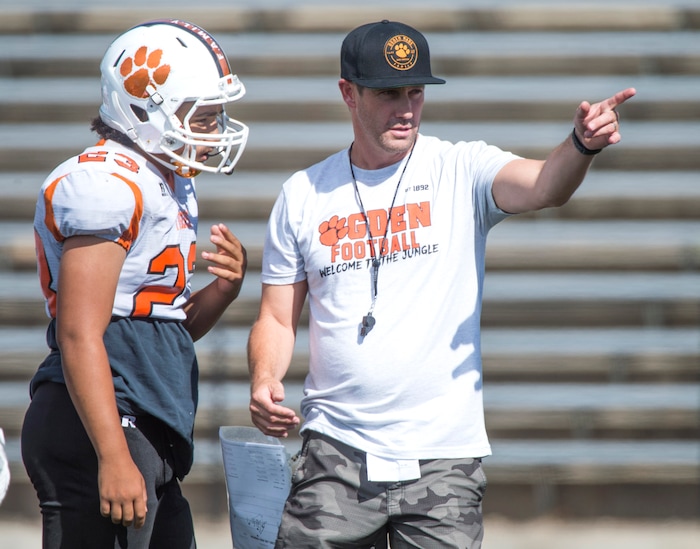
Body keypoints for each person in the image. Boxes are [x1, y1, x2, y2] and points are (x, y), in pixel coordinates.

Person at [247, 19, 636, 549]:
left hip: (443, 459)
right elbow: (275, 315)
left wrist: (580, 145)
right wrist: (265, 377)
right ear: (348, 93)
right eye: (387, 93)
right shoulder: (303, 193)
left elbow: (546, 185)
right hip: (335, 450)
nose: (405, 108)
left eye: (415, 92)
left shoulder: (462, 167)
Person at [21, 19, 249, 548]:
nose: (214, 131)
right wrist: (113, 454)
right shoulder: (105, 184)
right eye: (204, 117)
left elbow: (163, 328)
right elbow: (80, 333)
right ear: (145, 109)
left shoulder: (164, 180)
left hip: (142, 414)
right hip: (99, 422)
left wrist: (221, 292)